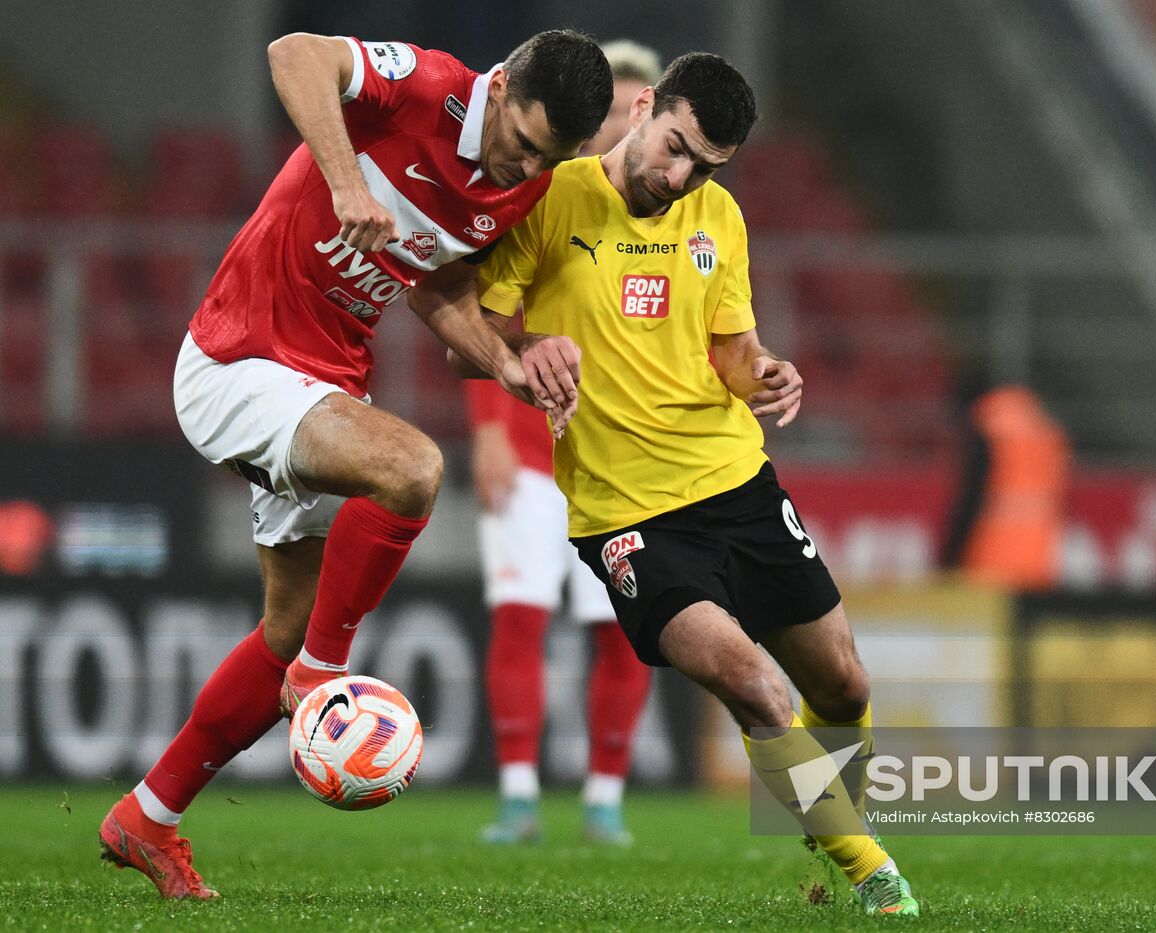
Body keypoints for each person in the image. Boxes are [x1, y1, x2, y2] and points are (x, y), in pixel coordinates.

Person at [98, 30, 613, 900]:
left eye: (545, 158)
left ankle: (148, 814)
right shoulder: (427, 87)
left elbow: (434, 283)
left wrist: (509, 365)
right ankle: (327, 674)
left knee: (285, 632)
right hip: (240, 361)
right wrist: (343, 180)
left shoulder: (522, 189)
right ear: (500, 85)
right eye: (521, 140)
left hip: (322, 382)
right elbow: (293, 52)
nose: (522, 163)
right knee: (412, 468)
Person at [462, 52, 920, 917]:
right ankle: (870, 870)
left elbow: (734, 353)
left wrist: (768, 372)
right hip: (627, 513)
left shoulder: (717, 217)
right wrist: (521, 352)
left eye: (703, 166)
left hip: (734, 480)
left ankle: (832, 827)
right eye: (674, 148)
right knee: (754, 685)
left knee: (847, 687)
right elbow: (469, 338)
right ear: (644, 108)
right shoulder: (553, 198)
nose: (679, 177)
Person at [464, 39, 662, 848]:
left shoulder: (680, 215)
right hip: (529, 446)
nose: (624, 122)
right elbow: (480, 314)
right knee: (520, 619)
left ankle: (603, 799)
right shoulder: (542, 193)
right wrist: (485, 432)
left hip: (617, 463)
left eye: (637, 110)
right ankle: (518, 794)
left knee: (620, 632)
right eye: (611, 108)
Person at [940, 375, 1070, 590]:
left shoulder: (990, 431)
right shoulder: (1043, 429)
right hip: (1038, 562)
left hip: (992, 560)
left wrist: (950, 559)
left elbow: (972, 499)